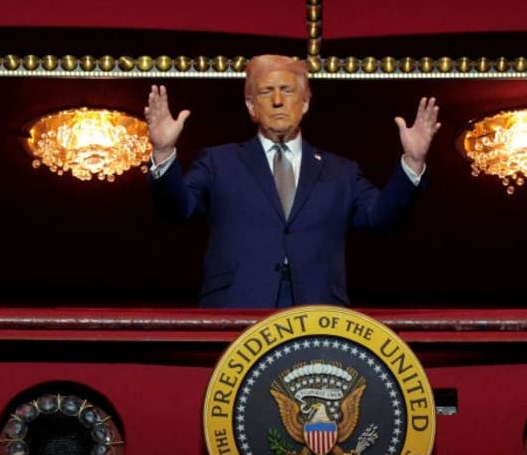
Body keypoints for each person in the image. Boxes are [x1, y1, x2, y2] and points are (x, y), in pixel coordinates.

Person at [145, 54, 440, 308]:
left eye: (287, 90)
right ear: (251, 105)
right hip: (238, 310)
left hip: (318, 314)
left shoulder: (342, 172)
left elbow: (382, 219)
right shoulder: (218, 162)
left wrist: (413, 162)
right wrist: (163, 151)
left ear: (305, 102)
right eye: (266, 92)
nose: (277, 101)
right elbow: (178, 209)